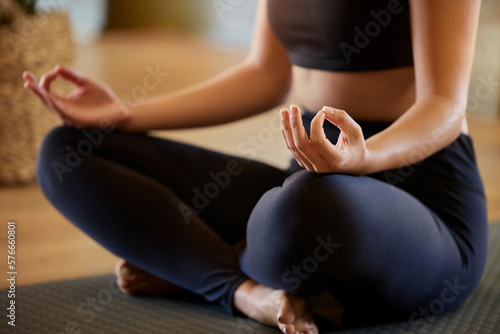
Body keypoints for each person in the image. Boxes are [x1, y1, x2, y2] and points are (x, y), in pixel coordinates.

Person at [23, 0, 487, 333]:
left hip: (419, 205)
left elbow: (444, 105)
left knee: (304, 213)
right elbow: (266, 74)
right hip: (308, 182)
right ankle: (245, 291)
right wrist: (123, 116)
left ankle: (194, 268)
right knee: (68, 151)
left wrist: (365, 158)